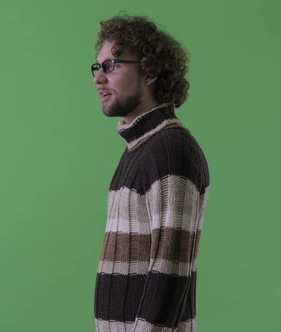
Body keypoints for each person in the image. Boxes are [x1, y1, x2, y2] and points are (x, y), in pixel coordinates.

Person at [91, 15, 210, 332]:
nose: (98, 79)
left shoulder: (170, 149)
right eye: (97, 67)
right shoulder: (138, 149)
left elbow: (169, 272)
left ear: (150, 72)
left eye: (111, 65)